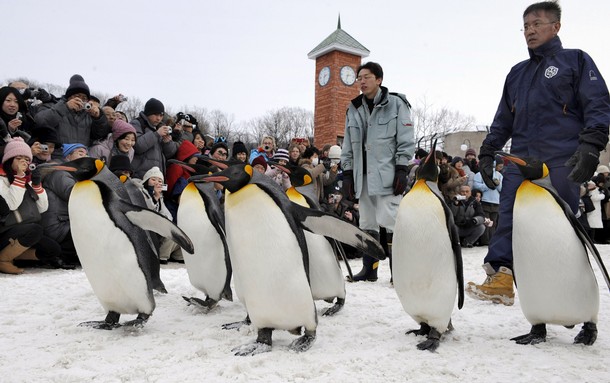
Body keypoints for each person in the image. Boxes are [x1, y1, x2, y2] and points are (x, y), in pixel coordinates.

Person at [467, 1, 610, 306]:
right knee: (508, 218)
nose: (530, 31)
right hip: (521, 159)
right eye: (526, 26)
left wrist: (591, 146)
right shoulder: (517, 74)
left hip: (562, 158)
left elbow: (597, 103)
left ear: (556, 27)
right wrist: (488, 151)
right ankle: (502, 278)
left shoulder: (576, 61)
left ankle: (574, 296)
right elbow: (503, 118)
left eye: (537, 24)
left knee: (562, 227)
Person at [340, 61, 415, 282]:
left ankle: (398, 272)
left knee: (391, 221)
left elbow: (405, 138)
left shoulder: (397, 104)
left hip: (387, 175)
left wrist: (402, 167)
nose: (362, 81)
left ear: (379, 79)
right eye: (359, 78)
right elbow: (348, 145)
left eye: (366, 77)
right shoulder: (353, 108)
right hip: (362, 176)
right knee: (367, 223)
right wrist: (347, 173)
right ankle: (369, 269)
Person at [0, 138, 71, 274]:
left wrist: (37, 186)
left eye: (27, 159)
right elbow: (11, 205)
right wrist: (20, 178)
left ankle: (10, 255)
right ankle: (4, 260)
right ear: (9, 160)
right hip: (5, 230)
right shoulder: (2, 179)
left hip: (25, 230)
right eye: (19, 158)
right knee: (35, 230)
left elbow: (42, 208)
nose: (24, 162)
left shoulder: (27, 180)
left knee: (53, 249)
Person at [34, 75, 108, 157]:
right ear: (68, 97)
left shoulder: (89, 114)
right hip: (57, 157)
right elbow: (40, 122)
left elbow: (100, 135)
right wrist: (65, 107)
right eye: (77, 96)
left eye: (84, 98)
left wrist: (98, 117)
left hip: (81, 158)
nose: (81, 100)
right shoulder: (54, 106)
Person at [130, 98, 177, 179]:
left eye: (161, 115)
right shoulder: (137, 123)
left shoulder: (160, 127)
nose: (158, 118)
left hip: (157, 179)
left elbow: (170, 154)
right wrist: (157, 134)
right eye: (155, 114)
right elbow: (137, 146)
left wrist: (167, 142)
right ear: (148, 113)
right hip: (139, 177)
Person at [473, 160, 503, 245]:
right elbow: (476, 186)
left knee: (493, 222)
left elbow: (501, 189)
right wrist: (488, 185)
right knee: (486, 221)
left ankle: (492, 240)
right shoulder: (479, 174)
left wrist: (497, 184)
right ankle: (485, 241)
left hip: (496, 201)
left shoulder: (499, 175)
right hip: (485, 200)